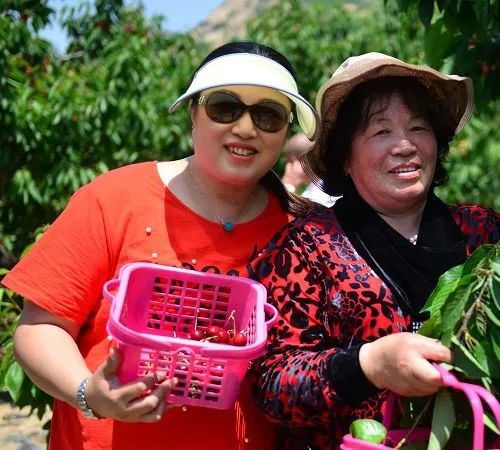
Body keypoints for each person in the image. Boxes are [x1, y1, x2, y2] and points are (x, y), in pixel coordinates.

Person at [3, 41, 319, 450]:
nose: (245, 128)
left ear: (285, 130)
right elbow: (40, 326)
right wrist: (88, 393)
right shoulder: (114, 198)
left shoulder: (302, 231)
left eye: (268, 115)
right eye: (225, 107)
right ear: (193, 113)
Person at [251, 53, 500, 449]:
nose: (405, 145)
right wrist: (367, 366)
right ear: (346, 155)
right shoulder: (305, 249)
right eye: (380, 132)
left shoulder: (482, 232)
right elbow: (274, 385)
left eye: (418, 127)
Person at [280, 133, 339, 207]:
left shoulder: (317, 195)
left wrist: (288, 185)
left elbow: (283, 213)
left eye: (289, 163)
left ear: (295, 162)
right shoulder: (333, 186)